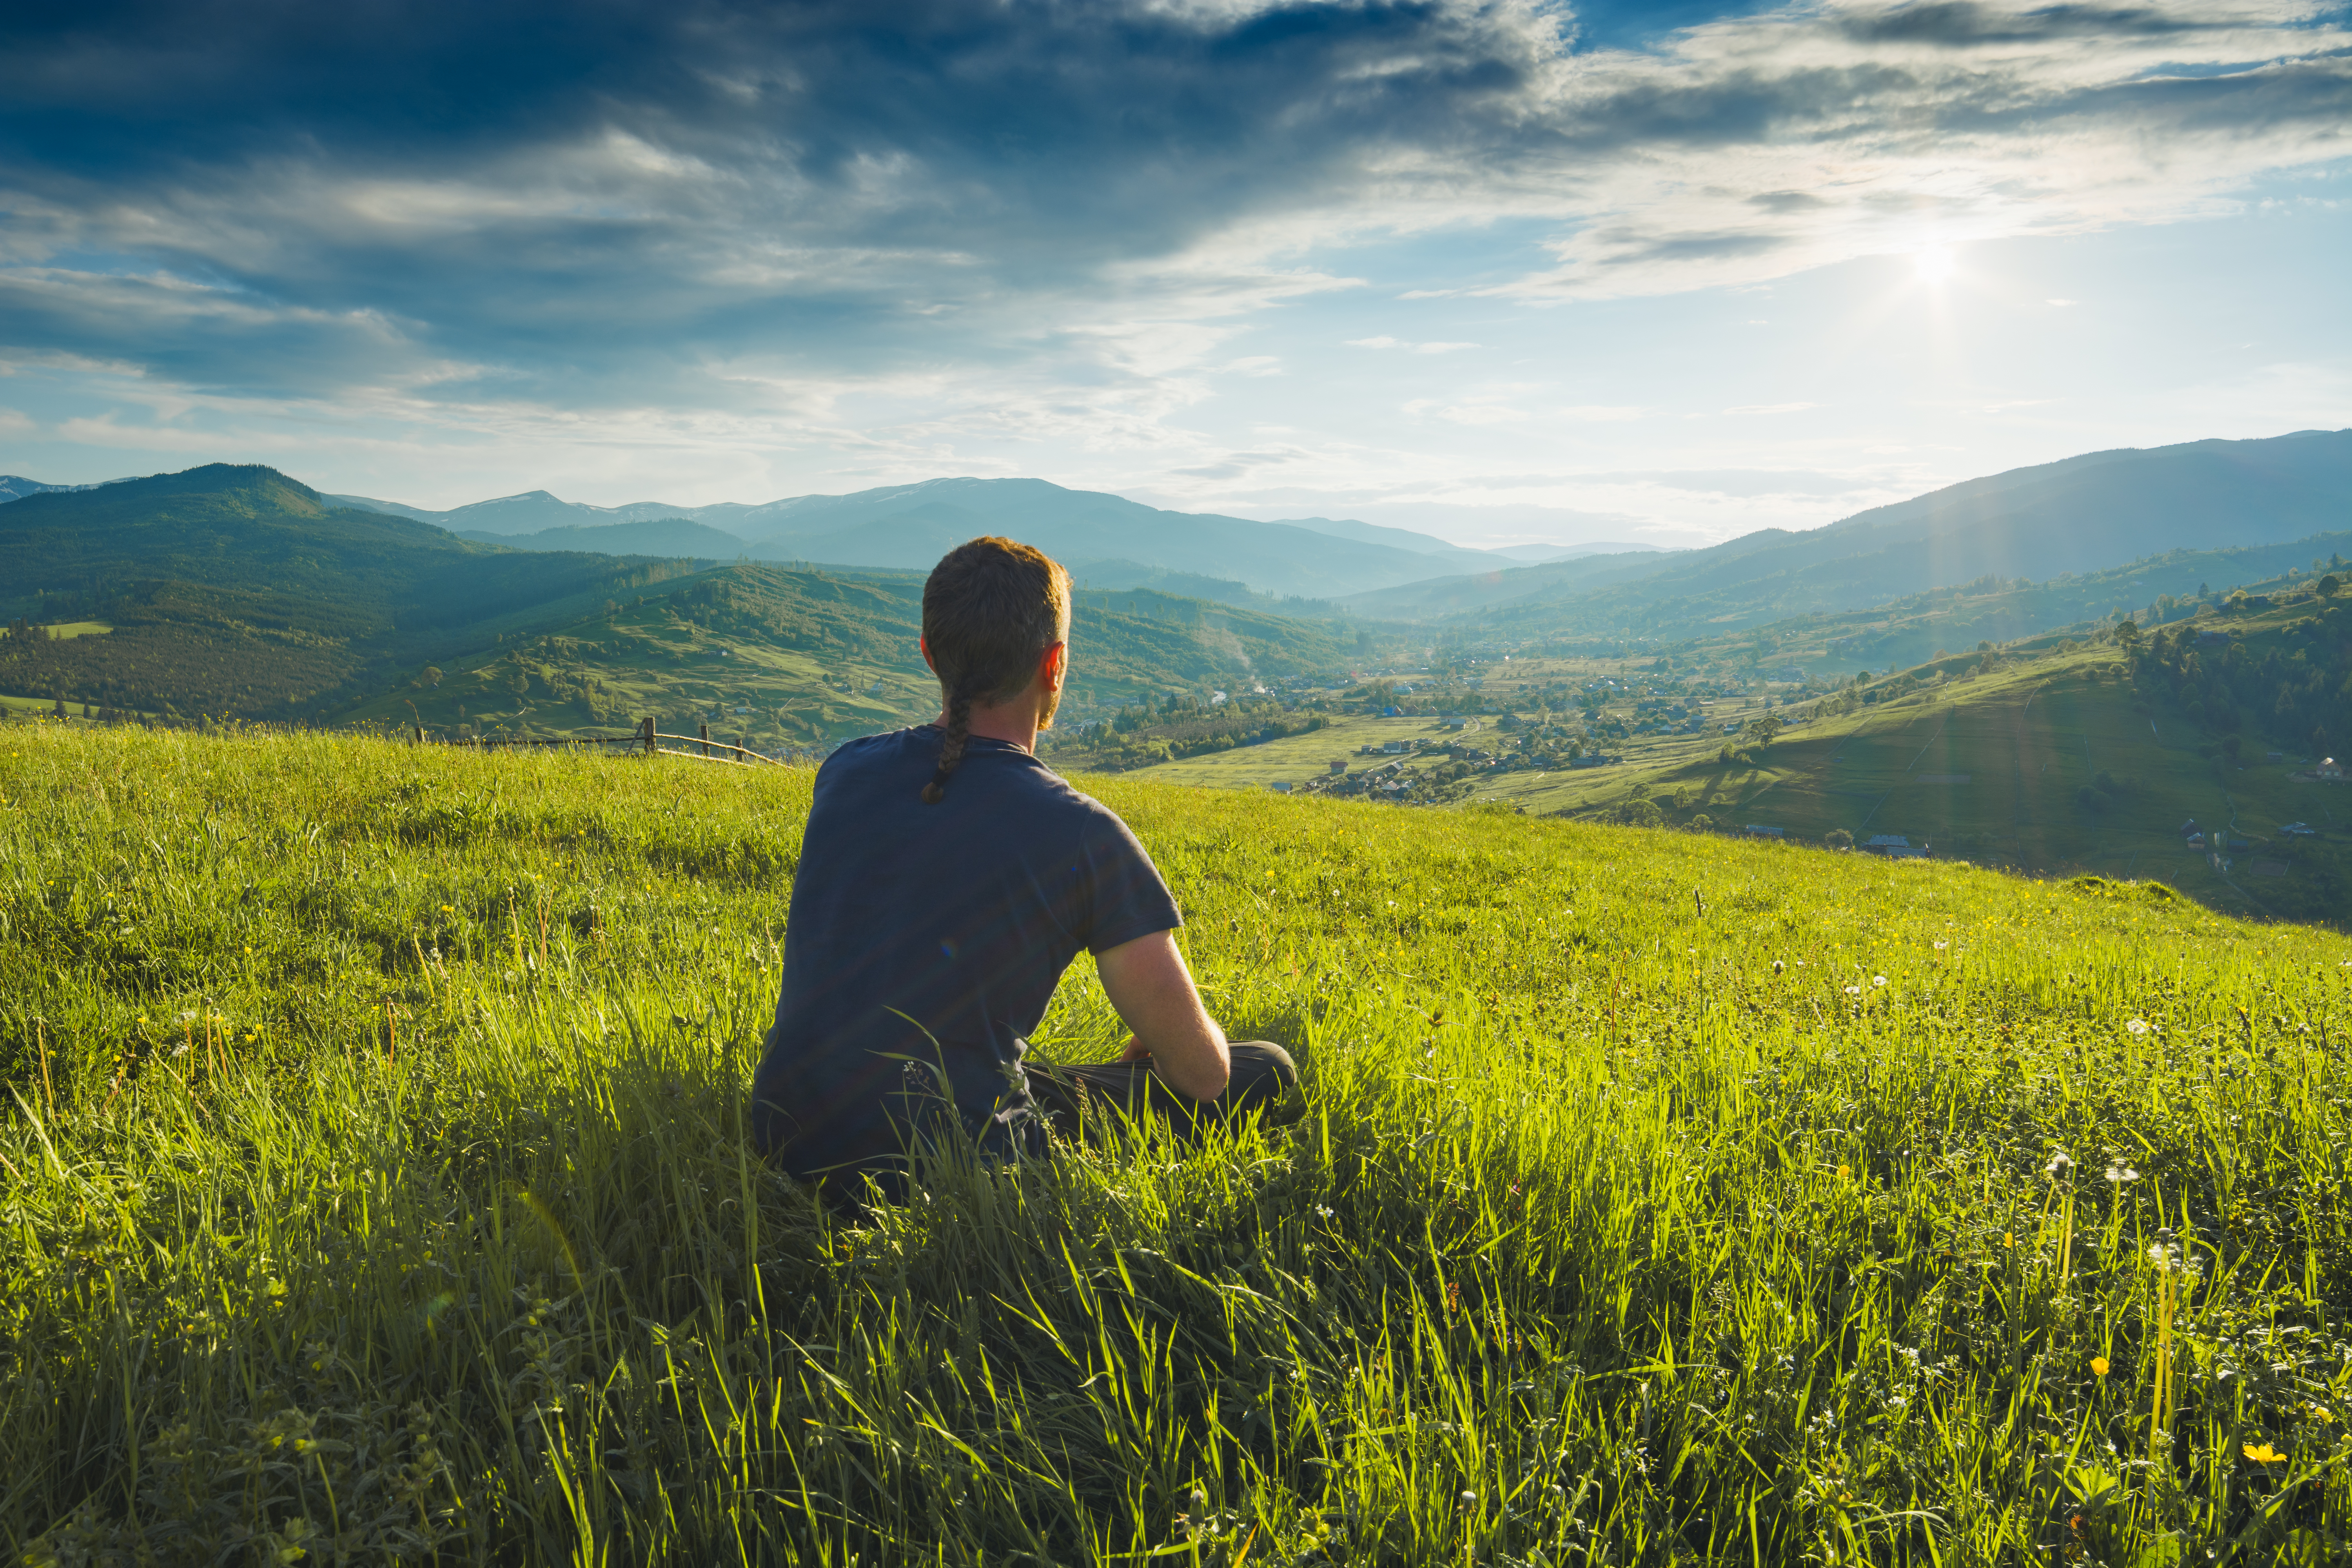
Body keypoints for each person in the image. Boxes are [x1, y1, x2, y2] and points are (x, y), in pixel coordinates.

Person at [748, 535, 1299, 1198]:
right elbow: (1205, 1077)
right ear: (1054, 665)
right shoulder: (1083, 833)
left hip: (785, 1135)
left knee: (1006, 1073)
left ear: (930, 654)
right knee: (1266, 1067)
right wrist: (1176, 1039)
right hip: (948, 1166)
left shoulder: (843, 771)